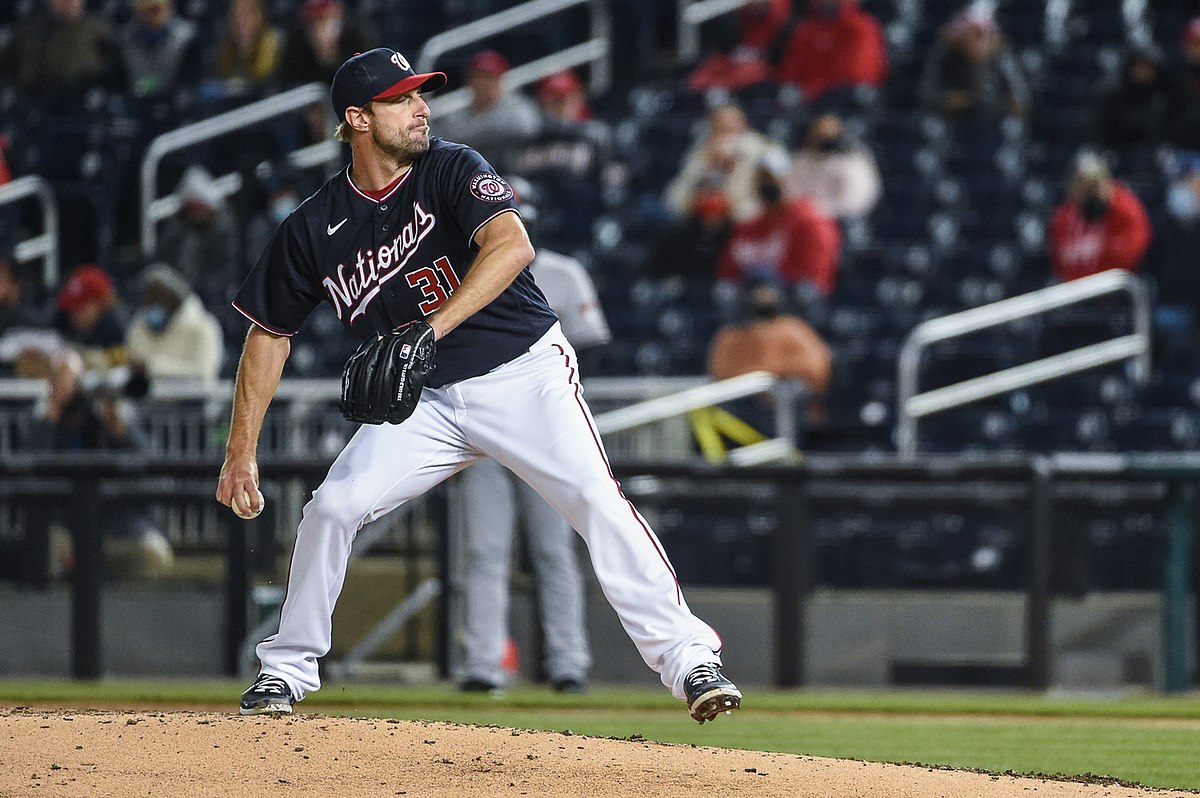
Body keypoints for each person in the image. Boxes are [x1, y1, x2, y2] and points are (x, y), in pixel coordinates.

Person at [219, 48, 742, 723]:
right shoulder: (314, 226)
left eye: (421, 95)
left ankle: (689, 660)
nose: (422, 107)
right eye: (401, 99)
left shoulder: (452, 167)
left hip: (521, 373)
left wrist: (428, 330)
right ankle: (283, 673)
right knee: (332, 508)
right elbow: (267, 334)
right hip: (426, 402)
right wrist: (241, 450)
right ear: (356, 118)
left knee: (592, 497)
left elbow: (511, 246)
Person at [458, 188, 611, 694]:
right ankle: (483, 664)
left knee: (553, 551)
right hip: (482, 431)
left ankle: (569, 664)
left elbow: (591, 351)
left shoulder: (562, 272)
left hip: (545, 430)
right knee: (484, 551)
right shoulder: (463, 267)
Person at [716, 153, 842, 295]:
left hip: (793, 304)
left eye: (772, 179)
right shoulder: (748, 226)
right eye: (760, 179)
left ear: (789, 179)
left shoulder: (811, 221)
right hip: (749, 305)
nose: (766, 184)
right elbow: (728, 270)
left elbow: (815, 280)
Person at [665, 102, 784, 222]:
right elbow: (674, 199)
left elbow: (780, 193)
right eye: (719, 127)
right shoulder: (701, 152)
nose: (725, 133)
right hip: (702, 221)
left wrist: (739, 159)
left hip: (747, 221)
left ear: (743, 125)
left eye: (730, 127)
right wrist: (709, 165)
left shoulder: (764, 150)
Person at [1047, 151, 1151, 283]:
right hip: (1076, 295)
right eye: (1084, 186)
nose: (1090, 192)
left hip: (1116, 294)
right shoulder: (1064, 218)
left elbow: (1128, 259)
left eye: (1094, 185)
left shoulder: (1126, 210)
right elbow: (1060, 264)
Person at [433, 49, 542, 173]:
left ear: (500, 80)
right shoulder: (458, 112)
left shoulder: (515, 105)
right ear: (470, 82)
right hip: (470, 176)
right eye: (478, 77)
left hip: (511, 175)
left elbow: (526, 127)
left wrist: (465, 138)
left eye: (489, 77)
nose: (483, 84)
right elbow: (440, 139)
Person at [918, 4, 1029, 122]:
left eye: (981, 34)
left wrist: (1002, 103)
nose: (977, 40)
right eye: (972, 33)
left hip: (994, 122)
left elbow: (1021, 99)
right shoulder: (946, 54)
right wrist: (949, 100)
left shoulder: (1001, 55)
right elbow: (927, 94)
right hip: (953, 122)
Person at [0, 0, 124, 101]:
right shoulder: (28, 32)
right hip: (35, 106)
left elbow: (119, 75)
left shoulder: (99, 32)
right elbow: (6, 68)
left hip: (84, 108)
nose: (66, 3)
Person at [155, 165, 241, 311]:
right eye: (192, 207)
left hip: (213, 299)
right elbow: (163, 263)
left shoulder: (223, 231)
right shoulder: (175, 231)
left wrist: (197, 293)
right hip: (176, 298)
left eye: (199, 206)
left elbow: (226, 270)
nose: (196, 212)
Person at [126, 263, 224, 381]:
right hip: (144, 396)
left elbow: (203, 372)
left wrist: (152, 366)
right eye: (149, 299)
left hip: (192, 398)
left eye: (158, 298)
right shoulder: (140, 324)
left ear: (172, 298)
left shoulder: (204, 327)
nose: (152, 304)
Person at [774, 0, 887, 103]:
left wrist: (810, 91)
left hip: (845, 100)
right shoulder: (806, 29)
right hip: (805, 98)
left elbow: (857, 74)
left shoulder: (861, 28)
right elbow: (790, 71)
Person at [784, 113, 882, 220]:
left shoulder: (852, 167)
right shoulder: (804, 157)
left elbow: (847, 204)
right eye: (815, 133)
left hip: (822, 219)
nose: (815, 136)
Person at [116, 0, 202, 107]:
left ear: (169, 7)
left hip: (176, 103)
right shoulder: (124, 39)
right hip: (136, 104)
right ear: (137, 10)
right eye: (149, 10)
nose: (154, 14)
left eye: (158, 9)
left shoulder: (187, 37)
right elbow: (118, 82)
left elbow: (192, 80)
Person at [1090, 45, 1172, 156]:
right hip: (1114, 153)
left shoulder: (1162, 98)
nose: (1142, 72)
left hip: (1152, 157)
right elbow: (1102, 134)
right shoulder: (1112, 96)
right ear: (1129, 68)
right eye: (1138, 67)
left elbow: (1164, 136)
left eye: (1147, 67)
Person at [52, 264, 128, 374]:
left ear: (100, 304)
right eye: (71, 308)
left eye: (80, 307)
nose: (74, 315)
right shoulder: (64, 323)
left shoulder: (119, 331)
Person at [278, 0, 373, 88]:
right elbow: (288, 82)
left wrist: (330, 55)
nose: (319, 28)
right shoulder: (296, 42)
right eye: (313, 22)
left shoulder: (356, 37)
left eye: (324, 20)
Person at [210, 0, 282, 92]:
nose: (239, 22)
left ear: (259, 17)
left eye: (245, 15)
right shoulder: (225, 49)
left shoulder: (273, 45)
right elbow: (223, 77)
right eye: (234, 16)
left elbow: (266, 80)